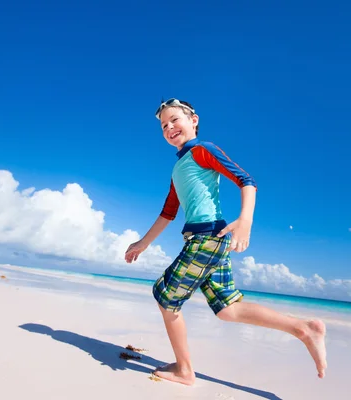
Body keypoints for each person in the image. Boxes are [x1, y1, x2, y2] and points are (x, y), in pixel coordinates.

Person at [125, 98, 327, 385]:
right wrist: (142, 243)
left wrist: (245, 221)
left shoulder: (202, 150)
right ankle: (304, 328)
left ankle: (185, 370)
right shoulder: (178, 168)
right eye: (163, 125)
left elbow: (246, 180)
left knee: (166, 298)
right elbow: (168, 213)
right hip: (210, 239)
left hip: (206, 239)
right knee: (228, 308)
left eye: (175, 119)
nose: (170, 127)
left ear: (194, 120)